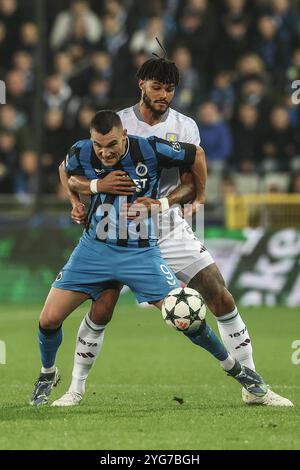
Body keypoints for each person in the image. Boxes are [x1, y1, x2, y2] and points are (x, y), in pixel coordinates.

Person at [55, 58, 293, 407]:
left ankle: (252, 383)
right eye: (157, 87)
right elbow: (75, 167)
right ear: (141, 84)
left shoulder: (185, 126)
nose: (164, 95)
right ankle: (74, 389)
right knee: (102, 308)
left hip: (166, 226)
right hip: (116, 231)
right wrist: (78, 203)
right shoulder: (116, 124)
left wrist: (181, 199)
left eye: (169, 89)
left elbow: (190, 175)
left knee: (219, 294)